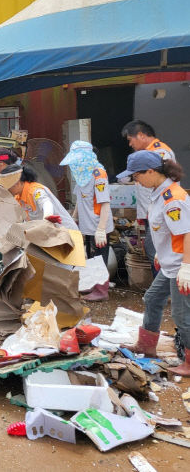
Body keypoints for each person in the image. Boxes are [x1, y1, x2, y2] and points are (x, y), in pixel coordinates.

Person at [118, 151, 190, 376]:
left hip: (181, 266)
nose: (135, 180)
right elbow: (166, 230)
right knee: (152, 298)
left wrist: (187, 267)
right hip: (170, 262)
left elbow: (187, 233)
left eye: (137, 175)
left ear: (151, 171)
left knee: (182, 315)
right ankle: (146, 345)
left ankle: (189, 361)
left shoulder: (173, 199)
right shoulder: (158, 193)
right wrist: (161, 252)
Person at [60, 140, 114, 301]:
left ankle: (102, 291)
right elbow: (80, 200)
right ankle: (92, 285)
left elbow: (105, 203)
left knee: (100, 257)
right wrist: (74, 217)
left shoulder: (99, 174)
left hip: (99, 223)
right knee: (90, 256)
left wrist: (101, 229)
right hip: (86, 223)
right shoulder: (83, 173)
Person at [122, 120, 175, 274]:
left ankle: (163, 292)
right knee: (153, 251)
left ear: (140, 135)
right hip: (150, 211)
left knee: (156, 251)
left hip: (161, 211)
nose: (130, 144)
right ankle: (161, 292)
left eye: (130, 140)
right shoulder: (148, 153)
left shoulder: (160, 152)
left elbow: (165, 184)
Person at [0, 164, 78, 230]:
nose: (6, 189)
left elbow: (46, 203)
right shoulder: (18, 197)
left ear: (17, 183)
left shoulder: (35, 190)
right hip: (48, 234)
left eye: (7, 186)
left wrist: (47, 216)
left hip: (66, 233)